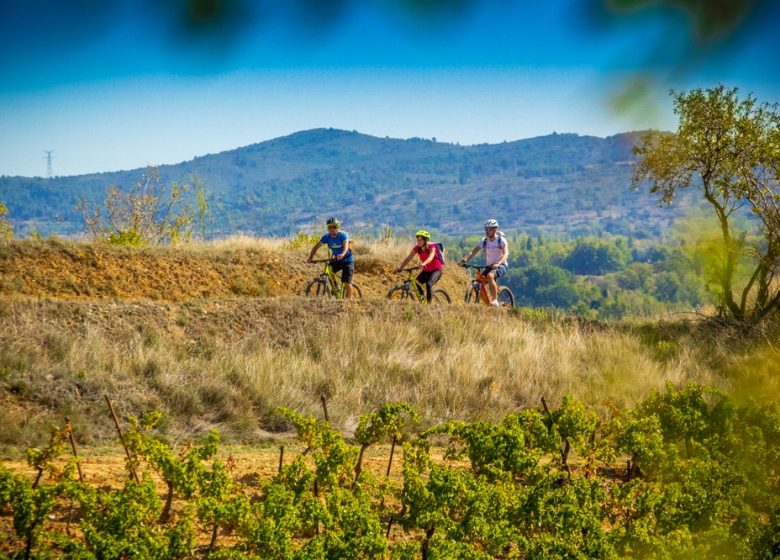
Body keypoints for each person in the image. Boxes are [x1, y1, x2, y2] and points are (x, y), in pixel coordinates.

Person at [459, 219, 509, 307]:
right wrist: (464, 260)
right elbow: (474, 251)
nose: (486, 231)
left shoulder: (501, 240)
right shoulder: (485, 241)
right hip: (489, 266)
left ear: (495, 229)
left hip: (501, 266)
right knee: (479, 283)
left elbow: (506, 254)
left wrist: (498, 263)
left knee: (490, 276)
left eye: (489, 229)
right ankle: (487, 303)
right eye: (485, 229)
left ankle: (494, 300)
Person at [308, 217, 354, 299]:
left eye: (335, 227)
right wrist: (310, 258)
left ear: (338, 227)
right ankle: (335, 287)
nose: (333, 229)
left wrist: (343, 254)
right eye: (330, 227)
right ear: (328, 228)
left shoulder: (343, 235)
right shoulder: (326, 237)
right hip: (337, 259)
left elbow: (346, 246)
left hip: (347, 261)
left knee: (346, 283)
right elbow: (316, 247)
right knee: (329, 270)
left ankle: (348, 303)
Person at [396, 230, 443, 303]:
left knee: (429, 283)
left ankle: (428, 305)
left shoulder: (432, 247)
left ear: (425, 240)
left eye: (420, 240)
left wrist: (424, 263)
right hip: (426, 271)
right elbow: (408, 258)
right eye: (418, 240)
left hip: (436, 270)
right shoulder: (417, 248)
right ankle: (422, 301)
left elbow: (430, 257)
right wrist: (400, 267)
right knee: (417, 283)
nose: (418, 242)